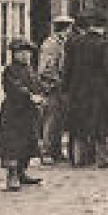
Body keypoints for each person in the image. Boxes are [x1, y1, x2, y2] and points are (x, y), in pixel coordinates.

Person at [62, 14, 108, 168]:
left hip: (77, 90)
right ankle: (103, 158)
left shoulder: (74, 42)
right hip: (98, 91)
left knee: (78, 123)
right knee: (100, 124)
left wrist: (65, 88)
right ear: (102, 28)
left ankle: (78, 158)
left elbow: (67, 67)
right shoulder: (103, 45)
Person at [0, 37, 44, 191]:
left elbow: (37, 85)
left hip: (28, 113)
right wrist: (30, 95)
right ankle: (12, 176)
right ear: (14, 54)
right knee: (12, 146)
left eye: (27, 53)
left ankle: (22, 172)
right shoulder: (10, 70)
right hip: (13, 112)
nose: (25, 56)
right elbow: (14, 88)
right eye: (21, 53)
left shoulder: (30, 69)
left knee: (27, 143)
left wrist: (43, 91)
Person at [37, 14, 74, 164]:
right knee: (50, 119)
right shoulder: (51, 44)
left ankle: (56, 150)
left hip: (59, 85)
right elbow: (46, 67)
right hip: (51, 85)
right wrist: (56, 81)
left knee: (59, 119)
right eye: (68, 28)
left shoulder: (62, 42)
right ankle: (46, 152)